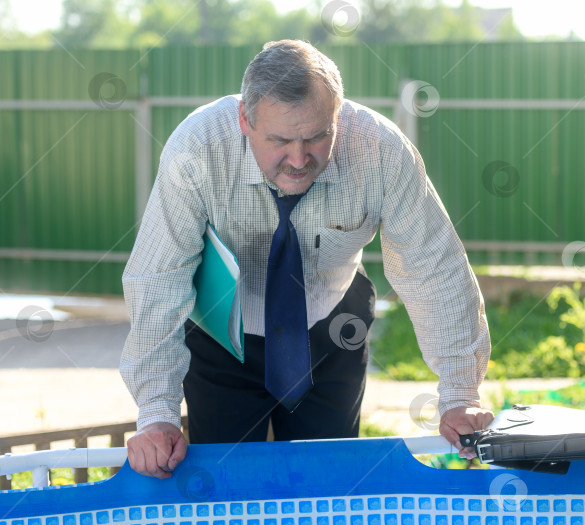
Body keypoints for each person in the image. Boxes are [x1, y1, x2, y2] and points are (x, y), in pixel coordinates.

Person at [120, 39, 493, 479]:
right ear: (244, 119)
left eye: (317, 136)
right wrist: (157, 412)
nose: (298, 159)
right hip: (221, 334)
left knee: (329, 479)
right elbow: (159, 278)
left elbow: (433, 269)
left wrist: (459, 395)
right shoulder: (196, 149)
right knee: (224, 483)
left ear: (338, 116)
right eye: (279, 140)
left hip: (333, 326)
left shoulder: (381, 150)